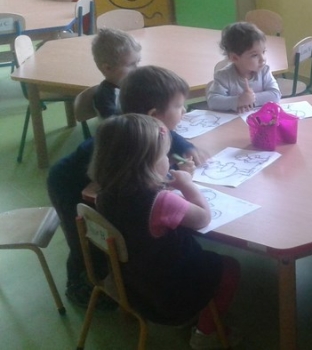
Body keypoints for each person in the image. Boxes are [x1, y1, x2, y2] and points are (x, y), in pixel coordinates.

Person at [46, 65, 207, 308]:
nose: (184, 111)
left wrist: (185, 147)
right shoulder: (121, 137)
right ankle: (78, 284)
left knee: (112, 231)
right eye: (178, 106)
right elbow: (134, 181)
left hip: (101, 183)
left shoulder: (138, 129)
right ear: (154, 115)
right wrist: (173, 184)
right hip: (67, 183)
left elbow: (162, 141)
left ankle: (114, 275)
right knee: (83, 239)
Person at [91, 114, 240, 349]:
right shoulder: (162, 202)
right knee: (229, 267)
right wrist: (187, 185)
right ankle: (205, 333)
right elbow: (203, 218)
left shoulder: (103, 196)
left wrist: (164, 181)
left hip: (129, 285)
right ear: (145, 164)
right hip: (169, 296)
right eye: (164, 156)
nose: (169, 161)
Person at [207, 21, 281, 113]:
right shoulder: (224, 76)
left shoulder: (264, 71)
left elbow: (275, 95)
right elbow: (213, 101)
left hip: (258, 118)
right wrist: (239, 101)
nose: (263, 59)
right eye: (254, 55)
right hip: (233, 120)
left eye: (263, 52)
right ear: (234, 58)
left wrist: (250, 99)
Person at [90, 27, 142, 118]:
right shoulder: (104, 96)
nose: (137, 68)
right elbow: (113, 124)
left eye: (138, 62)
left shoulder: (135, 84)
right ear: (108, 68)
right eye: (131, 64)